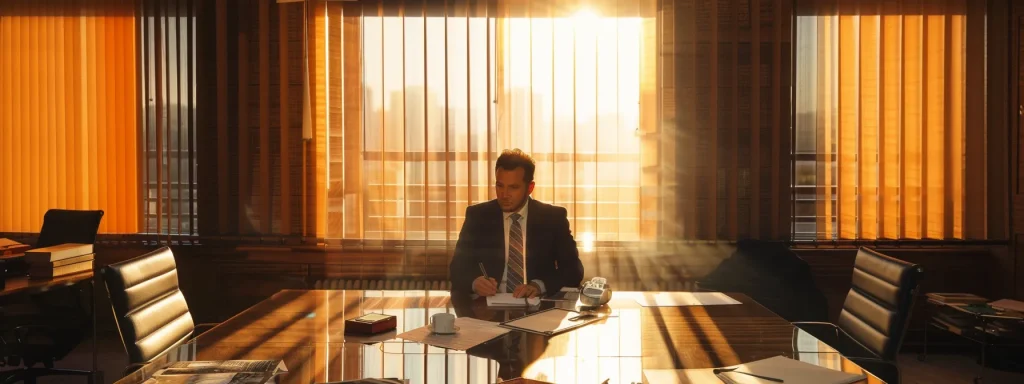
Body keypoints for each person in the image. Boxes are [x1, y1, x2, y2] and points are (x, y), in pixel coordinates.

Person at [449, 149, 584, 298]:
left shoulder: (552, 218)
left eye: (513, 187)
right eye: (500, 186)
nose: (504, 194)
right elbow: (457, 268)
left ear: (530, 188)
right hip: (487, 309)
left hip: (536, 308)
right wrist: (475, 282)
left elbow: (574, 270)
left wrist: (539, 286)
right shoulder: (478, 216)